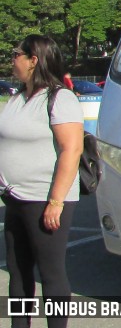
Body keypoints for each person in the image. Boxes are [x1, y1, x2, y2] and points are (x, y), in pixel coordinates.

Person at [0, 34, 84, 328]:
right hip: (15, 197)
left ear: (33, 60)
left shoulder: (60, 98)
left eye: (16, 54)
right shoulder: (18, 97)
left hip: (46, 199)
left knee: (50, 273)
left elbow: (71, 150)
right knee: (18, 271)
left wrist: (55, 202)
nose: (12, 60)